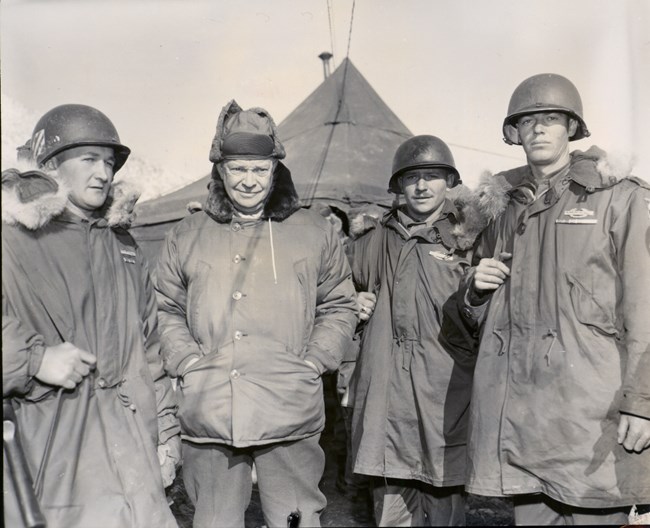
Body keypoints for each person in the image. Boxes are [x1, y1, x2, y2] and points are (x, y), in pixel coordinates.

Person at [154, 100, 358, 527]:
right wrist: (188, 362)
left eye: (259, 170)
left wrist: (312, 362)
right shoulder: (187, 234)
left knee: (296, 520)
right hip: (209, 410)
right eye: (239, 169)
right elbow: (164, 307)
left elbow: (339, 303)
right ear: (221, 170)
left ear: (275, 171)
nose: (249, 181)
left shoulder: (313, 230)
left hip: (289, 409)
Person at [459, 73, 650, 525]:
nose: (539, 129)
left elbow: (646, 309)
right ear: (514, 133)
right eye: (527, 121)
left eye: (551, 119)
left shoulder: (617, 199)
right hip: (524, 422)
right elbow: (474, 311)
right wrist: (473, 289)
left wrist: (641, 404)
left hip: (591, 417)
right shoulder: (502, 208)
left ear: (572, 129)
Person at [2, 104, 180, 528]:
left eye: (109, 162)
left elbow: (149, 351)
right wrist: (34, 360)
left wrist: (167, 435)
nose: (103, 172)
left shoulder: (124, 244)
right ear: (49, 166)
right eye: (88, 160)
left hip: (133, 454)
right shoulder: (12, 238)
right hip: (52, 455)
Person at [348, 135, 488, 526]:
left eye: (432, 176)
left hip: (444, 393)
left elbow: (487, 311)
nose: (422, 186)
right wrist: (352, 301)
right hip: (386, 400)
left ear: (449, 182)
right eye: (412, 178)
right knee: (390, 507)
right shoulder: (372, 239)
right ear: (398, 186)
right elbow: (337, 292)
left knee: (444, 501)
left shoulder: (469, 237)